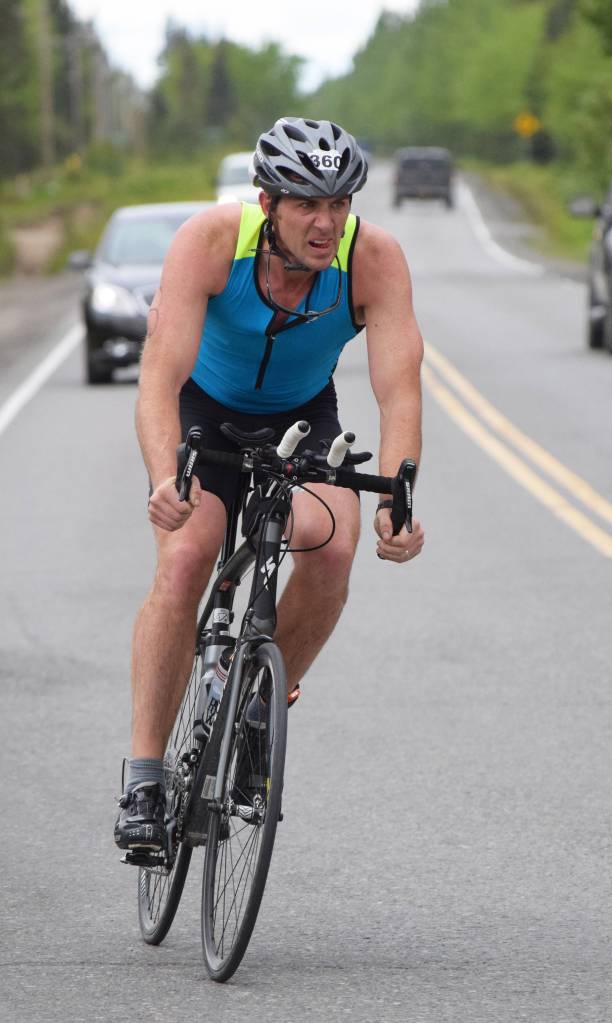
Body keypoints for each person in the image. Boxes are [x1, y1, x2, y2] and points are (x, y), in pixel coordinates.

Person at [114, 116, 425, 853]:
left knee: (334, 546)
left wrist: (401, 497)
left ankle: (256, 709)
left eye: (339, 204)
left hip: (303, 417)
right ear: (267, 202)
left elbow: (400, 390)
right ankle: (146, 775)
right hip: (203, 416)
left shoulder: (374, 260)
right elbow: (157, 380)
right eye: (307, 204)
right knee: (187, 559)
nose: (326, 223)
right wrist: (166, 476)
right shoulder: (211, 243)